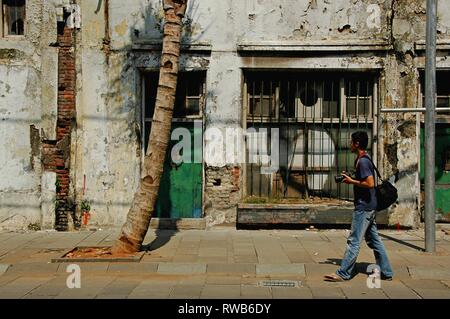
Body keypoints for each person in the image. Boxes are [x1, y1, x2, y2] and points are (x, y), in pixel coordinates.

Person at [324, 131, 393, 282]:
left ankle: (344, 273)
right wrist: (351, 177)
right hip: (370, 205)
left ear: (356, 144)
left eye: (351, 142)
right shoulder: (364, 158)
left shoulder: (362, 161)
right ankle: (386, 271)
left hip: (364, 207)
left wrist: (352, 182)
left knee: (354, 241)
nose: (349, 144)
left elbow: (370, 183)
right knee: (374, 241)